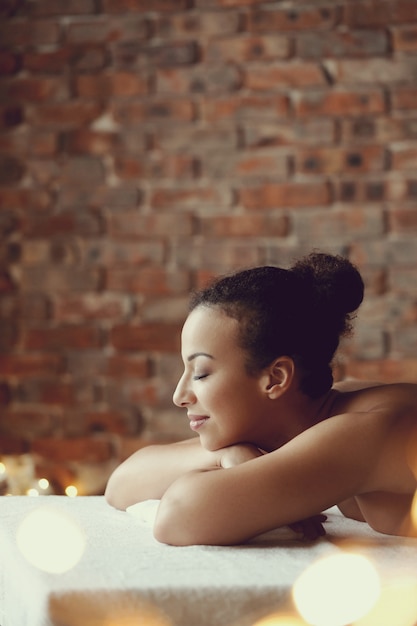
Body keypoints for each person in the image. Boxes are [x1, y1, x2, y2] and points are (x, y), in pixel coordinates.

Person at [105, 252, 417, 546]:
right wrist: (227, 456)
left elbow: (179, 517)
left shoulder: (367, 429)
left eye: (200, 373)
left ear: (276, 378)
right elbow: (121, 485)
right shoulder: (300, 419)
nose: (179, 396)